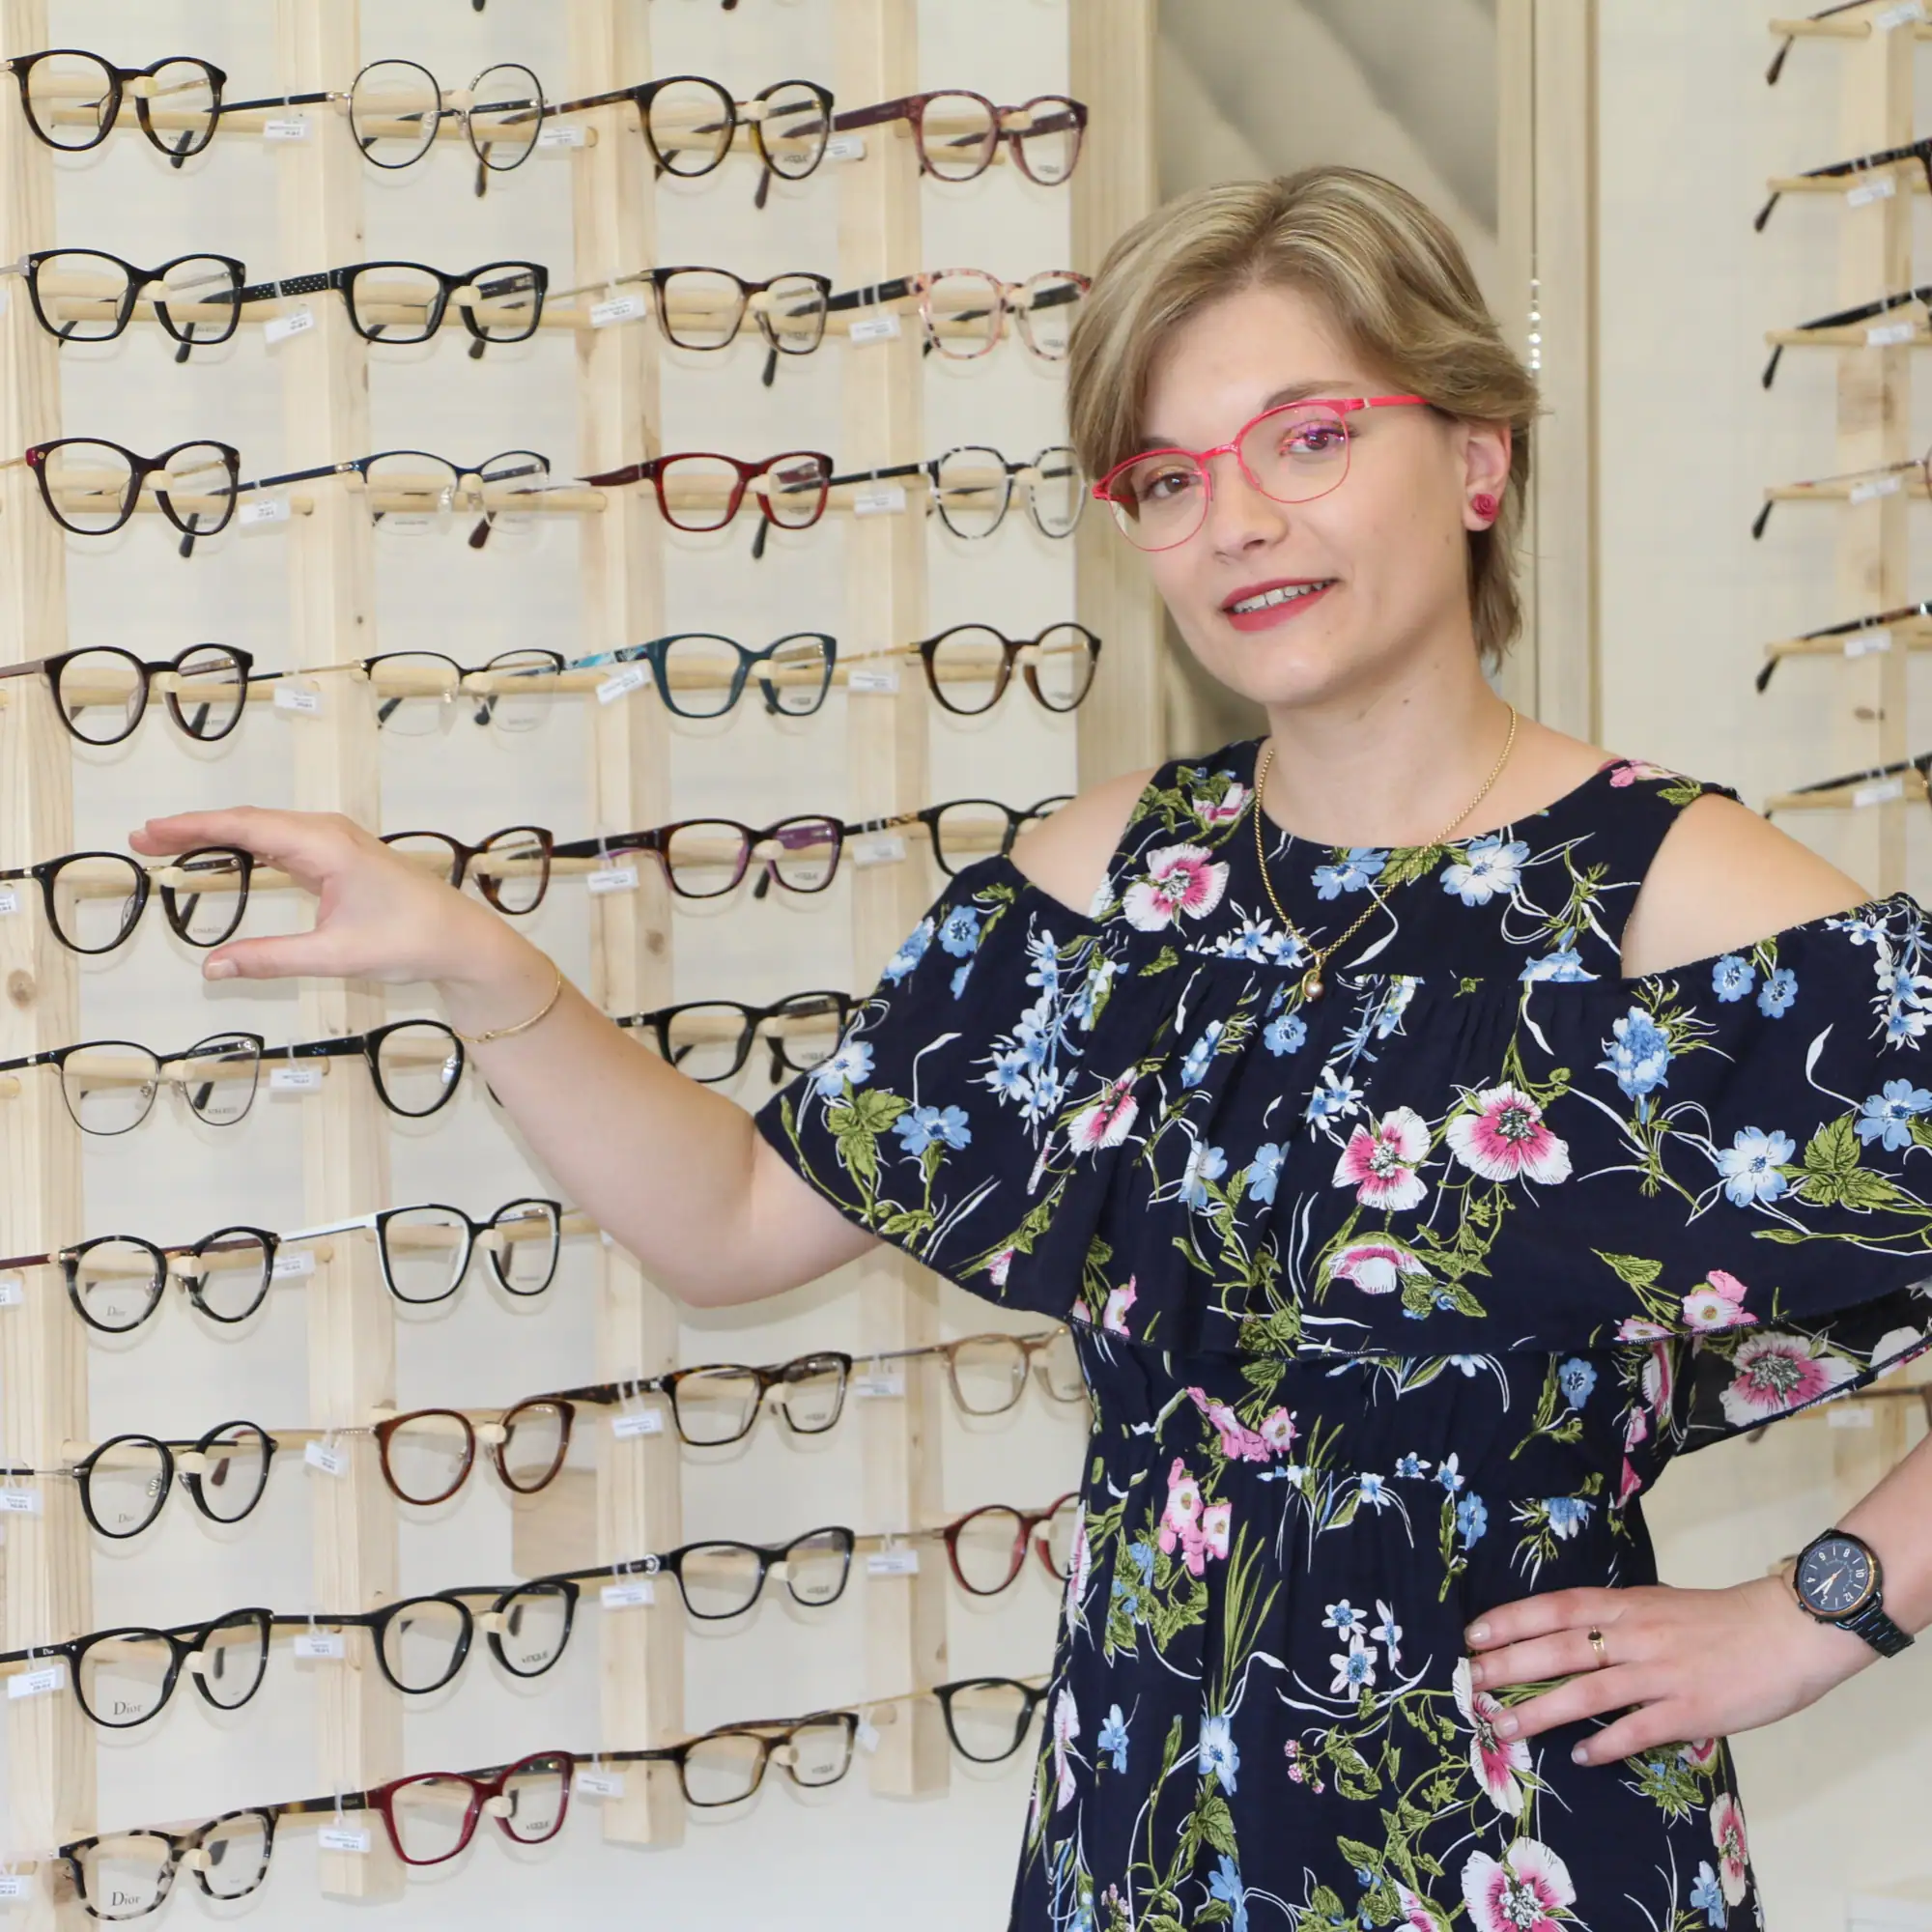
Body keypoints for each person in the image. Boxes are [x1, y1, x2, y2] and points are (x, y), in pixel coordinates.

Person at [134, 168, 1932, 1931]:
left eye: (1309, 439)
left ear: (1476, 458)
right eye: (1170, 476)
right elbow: (738, 1224)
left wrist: (1813, 1612)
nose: (1236, 519)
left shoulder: (1676, 889)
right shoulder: (1105, 885)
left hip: (1517, 1848)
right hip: (1137, 1819)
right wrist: (482, 968)